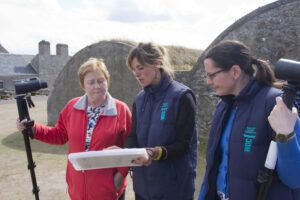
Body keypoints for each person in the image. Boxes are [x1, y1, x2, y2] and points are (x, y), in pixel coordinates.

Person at [16, 58, 132, 200]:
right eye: (91, 82)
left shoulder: (121, 110)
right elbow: (59, 135)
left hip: (108, 191)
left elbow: (131, 146)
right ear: (83, 85)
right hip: (77, 190)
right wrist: (33, 129)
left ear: (107, 81)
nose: (97, 86)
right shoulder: (72, 107)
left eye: (101, 81)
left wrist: (120, 175)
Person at [197, 40, 300, 200]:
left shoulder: (277, 104)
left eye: (212, 75)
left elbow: (294, 179)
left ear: (235, 71)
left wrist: (286, 135)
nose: (208, 81)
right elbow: (213, 167)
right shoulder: (223, 106)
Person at [125, 42, 198, 200]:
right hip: (143, 189)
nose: (136, 74)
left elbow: (183, 145)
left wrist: (153, 153)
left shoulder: (183, 96)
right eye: (133, 69)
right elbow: (133, 137)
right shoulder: (139, 99)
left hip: (174, 190)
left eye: (140, 67)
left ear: (157, 63)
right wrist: (121, 153)